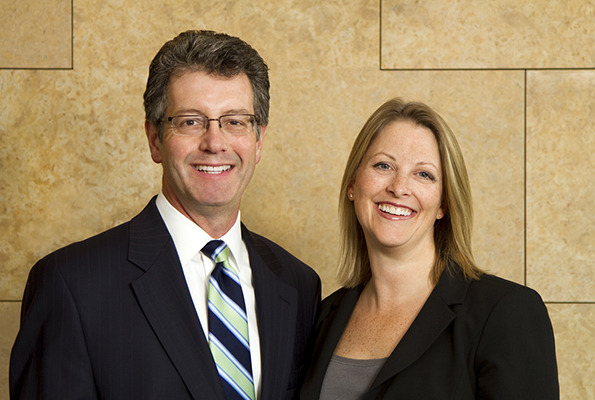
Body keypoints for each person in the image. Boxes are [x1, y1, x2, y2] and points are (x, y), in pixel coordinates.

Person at [10, 30, 321, 400]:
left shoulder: (298, 285)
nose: (215, 142)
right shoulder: (72, 285)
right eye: (190, 121)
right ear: (155, 139)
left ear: (258, 141)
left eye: (235, 121)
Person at [299, 98, 559, 399]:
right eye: (383, 165)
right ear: (352, 185)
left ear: (443, 203)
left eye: (423, 174)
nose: (399, 187)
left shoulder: (506, 313)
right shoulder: (321, 317)